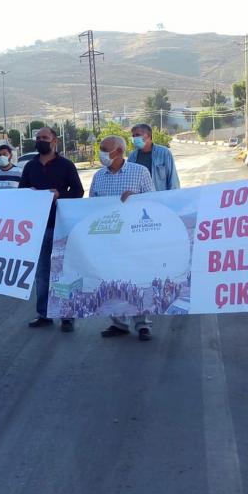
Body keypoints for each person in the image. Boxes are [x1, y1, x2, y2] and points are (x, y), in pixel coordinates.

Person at [18, 127, 83, 333]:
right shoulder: (30, 166)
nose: (40, 141)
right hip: (38, 228)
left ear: (54, 141)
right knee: (42, 274)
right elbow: (21, 193)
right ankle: (44, 314)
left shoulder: (66, 165)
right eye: (37, 138)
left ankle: (67, 315)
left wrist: (59, 195)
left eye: (44, 138)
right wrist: (31, 193)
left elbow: (79, 191)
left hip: (62, 227)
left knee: (64, 272)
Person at [91, 136, 156, 341]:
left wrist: (136, 199)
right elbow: (90, 205)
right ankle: (119, 323)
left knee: (138, 279)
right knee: (113, 280)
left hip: (134, 237)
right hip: (108, 238)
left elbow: (153, 202)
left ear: (119, 151)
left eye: (104, 149)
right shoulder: (98, 176)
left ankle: (143, 324)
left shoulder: (139, 172)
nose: (100, 153)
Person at [128, 123, 180, 191]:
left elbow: (173, 179)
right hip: (140, 198)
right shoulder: (132, 156)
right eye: (133, 136)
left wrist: (173, 197)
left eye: (138, 135)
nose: (135, 138)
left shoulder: (164, 153)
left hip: (159, 197)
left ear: (149, 135)